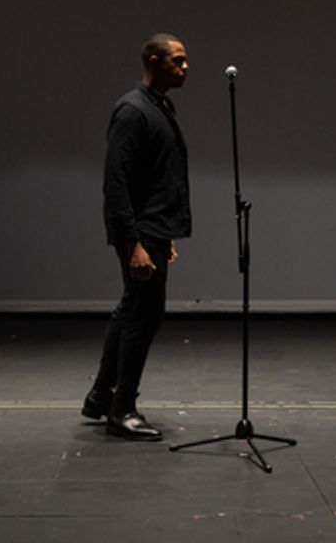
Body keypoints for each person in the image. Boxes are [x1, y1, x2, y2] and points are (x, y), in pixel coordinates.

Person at [81, 33, 191, 442]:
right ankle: (121, 407)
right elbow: (118, 183)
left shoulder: (161, 106)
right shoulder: (132, 111)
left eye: (185, 62)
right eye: (176, 61)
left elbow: (157, 179)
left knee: (131, 310)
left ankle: (100, 396)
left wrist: (164, 233)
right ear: (153, 59)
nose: (184, 68)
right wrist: (135, 243)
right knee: (144, 317)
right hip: (139, 232)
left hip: (153, 229)